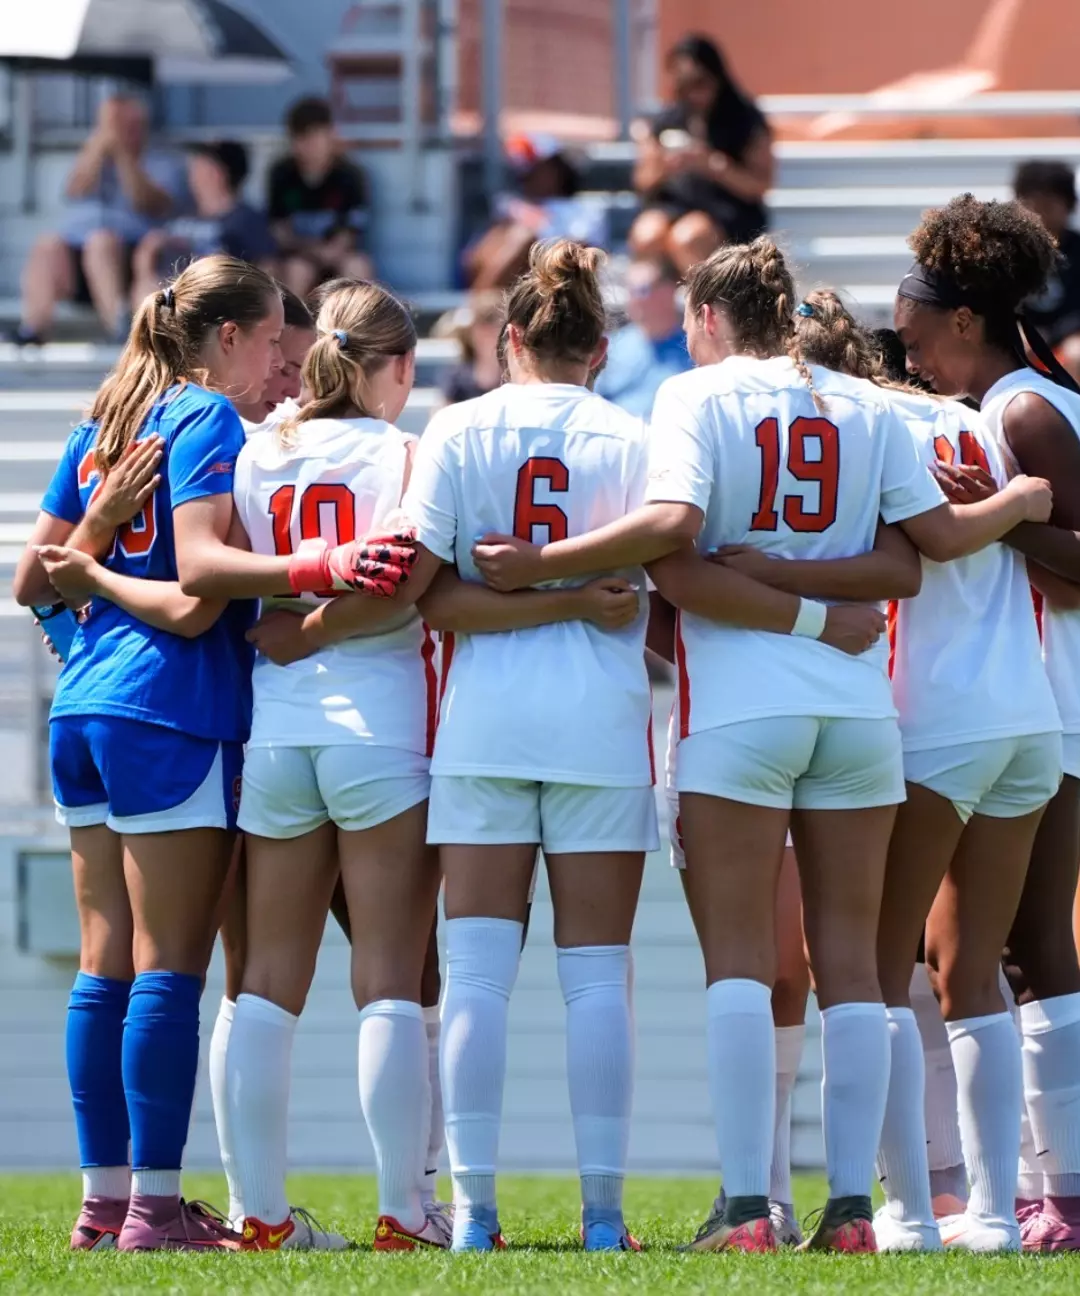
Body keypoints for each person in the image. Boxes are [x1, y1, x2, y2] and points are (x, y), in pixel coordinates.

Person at [470, 236, 1052, 1253]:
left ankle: (748, 1208)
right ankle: (855, 1214)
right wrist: (822, 608)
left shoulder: (697, 397)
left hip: (738, 710)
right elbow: (904, 568)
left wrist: (548, 564)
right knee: (858, 969)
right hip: (859, 714)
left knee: (740, 963)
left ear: (705, 320)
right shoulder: (864, 402)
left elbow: (680, 549)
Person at [760, 289, 1060, 1253]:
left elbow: (905, 551)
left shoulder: (867, 421)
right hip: (1028, 717)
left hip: (932, 721)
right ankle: (992, 1215)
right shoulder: (973, 422)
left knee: (875, 971)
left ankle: (907, 1212)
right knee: (974, 971)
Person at [10, 254, 287, 1252]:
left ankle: (102, 1203)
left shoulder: (102, 423)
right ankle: (156, 1211)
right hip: (168, 708)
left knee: (102, 965)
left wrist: (92, 544)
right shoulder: (201, 418)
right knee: (169, 967)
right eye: (267, 341)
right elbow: (193, 597)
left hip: (80, 710)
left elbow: (33, 583)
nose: (277, 363)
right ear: (221, 339)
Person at [398, 239, 660, 1253]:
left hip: (485, 724)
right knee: (597, 975)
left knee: (475, 974)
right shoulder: (635, 436)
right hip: (598, 722)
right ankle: (601, 1219)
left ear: (509, 340)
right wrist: (574, 598)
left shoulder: (456, 426)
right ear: (599, 346)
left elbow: (426, 590)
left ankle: (474, 1216)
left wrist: (521, 592)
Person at [220, 281, 457, 1251]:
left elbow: (237, 585)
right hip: (380, 726)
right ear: (395, 368)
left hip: (277, 729)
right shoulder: (408, 451)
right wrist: (325, 628)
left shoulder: (258, 449)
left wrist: (295, 631)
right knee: (390, 978)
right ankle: (404, 1213)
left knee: (264, 981)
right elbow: (410, 591)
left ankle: (258, 1216)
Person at [894, 193, 1080, 1252]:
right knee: (1009, 949)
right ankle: (1030, 1190)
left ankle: (1057, 1194)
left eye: (917, 335)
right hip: (1044, 708)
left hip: (1057, 706)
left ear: (966, 321)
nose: (909, 355)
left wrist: (999, 524)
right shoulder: (1025, 398)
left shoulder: (1018, 412)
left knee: (1034, 946)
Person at [8, 95, 186, 344]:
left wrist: (124, 157)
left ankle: (119, 328)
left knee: (101, 242)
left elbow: (146, 201)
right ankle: (33, 329)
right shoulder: (92, 154)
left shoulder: (164, 162)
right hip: (77, 258)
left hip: (132, 255)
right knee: (47, 244)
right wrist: (97, 149)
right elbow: (74, 190)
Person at [628, 35, 772, 276]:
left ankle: (701, 308)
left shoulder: (744, 119)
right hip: (674, 203)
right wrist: (662, 165)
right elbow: (643, 182)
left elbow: (760, 185)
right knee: (646, 235)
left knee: (688, 238)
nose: (694, 93)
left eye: (700, 82)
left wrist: (713, 165)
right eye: (684, 85)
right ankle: (651, 310)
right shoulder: (668, 120)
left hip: (727, 208)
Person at [130, 142, 276, 305]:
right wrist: (148, 264)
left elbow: (267, 266)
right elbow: (149, 250)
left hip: (212, 298)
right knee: (146, 290)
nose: (192, 170)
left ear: (219, 173)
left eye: (201, 164)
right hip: (166, 290)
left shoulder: (246, 218)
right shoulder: (181, 212)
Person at [464, 134, 608, 290]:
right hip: (516, 285)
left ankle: (481, 304)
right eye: (525, 170)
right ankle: (482, 303)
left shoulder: (583, 209)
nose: (528, 176)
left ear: (556, 169)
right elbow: (472, 261)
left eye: (536, 168)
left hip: (559, 282)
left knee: (524, 238)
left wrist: (531, 234)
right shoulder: (512, 206)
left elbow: (581, 249)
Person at [268, 97, 373, 299]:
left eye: (315, 137)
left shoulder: (350, 175)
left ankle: (357, 327)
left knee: (358, 266)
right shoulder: (281, 174)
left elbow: (351, 230)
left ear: (330, 135)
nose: (309, 147)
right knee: (297, 270)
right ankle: (291, 328)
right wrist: (311, 249)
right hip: (299, 257)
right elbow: (278, 230)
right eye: (302, 139)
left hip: (339, 256)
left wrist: (330, 251)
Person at [595, 255, 692, 417]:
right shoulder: (610, 345)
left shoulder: (695, 348)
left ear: (668, 291)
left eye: (642, 290)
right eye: (629, 290)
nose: (633, 299)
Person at [1014, 161, 1080, 381]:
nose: (1040, 215)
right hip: (1023, 339)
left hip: (1069, 341)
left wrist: (1051, 336)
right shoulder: (1008, 251)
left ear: (1068, 205)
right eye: (1032, 206)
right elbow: (998, 303)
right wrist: (1019, 332)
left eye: (1048, 206)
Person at [438, 292, 506, 407]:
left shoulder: (516, 377)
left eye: (493, 327)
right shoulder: (456, 377)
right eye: (482, 328)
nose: (487, 335)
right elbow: (442, 416)